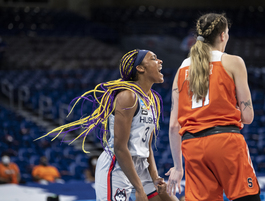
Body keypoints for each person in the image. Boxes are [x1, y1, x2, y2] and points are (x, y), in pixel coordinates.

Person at [36, 49, 178, 201]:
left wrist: (155, 176)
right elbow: (120, 147)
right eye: (154, 58)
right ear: (140, 68)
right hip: (117, 165)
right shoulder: (127, 96)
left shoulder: (152, 100)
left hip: (141, 166)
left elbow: (147, 147)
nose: (160, 61)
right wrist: (139, 189)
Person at [166, 13, 261, 201]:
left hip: (192, 147)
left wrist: (178, 167)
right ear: (223, 36)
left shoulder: (181, 69)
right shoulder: (233, 62)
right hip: (225, 142)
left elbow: (174, 127)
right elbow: (248, 116)